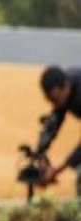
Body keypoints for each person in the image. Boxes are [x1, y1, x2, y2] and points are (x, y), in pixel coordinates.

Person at [38, 65, 81, 196]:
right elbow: (55, 120)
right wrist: (41, 152)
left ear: (66, 87)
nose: (54, 105)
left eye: (55, 100)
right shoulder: (64, 88)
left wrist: (58, 169)